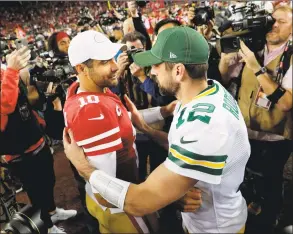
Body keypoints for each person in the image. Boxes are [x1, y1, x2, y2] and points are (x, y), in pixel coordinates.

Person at [63, 26, 251, 234]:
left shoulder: (206, 125)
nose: (151, 71)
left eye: (157, 65)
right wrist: (145, 128)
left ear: (178, 71)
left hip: (215, 227)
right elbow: (181, 145)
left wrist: (84, 168)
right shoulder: (205, 91)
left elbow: (141, 201)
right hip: (206, 217)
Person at [64, 30, 175, 233]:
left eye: (112, 59)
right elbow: (104, 188)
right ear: (81, 68)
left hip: (127, 192)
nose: (115, 67)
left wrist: (163, 111)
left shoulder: (93, 91)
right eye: (104, 62)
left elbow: (122, 119)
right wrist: (139, 204)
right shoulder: (91, 110)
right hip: (120, 206)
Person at [218, 5, 292, 232]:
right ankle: (248, 212)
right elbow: (223, 78)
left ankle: (270, 220)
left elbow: (286, 102)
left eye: (282, 22)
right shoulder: (252, 48)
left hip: (275, 137)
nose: (274, 26)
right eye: (272, 20)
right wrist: (225, 59)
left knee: (270, 181)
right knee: (243, 177)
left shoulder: (289, 57)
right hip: (244, 131)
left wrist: (255, 67)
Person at [0, 47, 77, 234]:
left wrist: (38, 121)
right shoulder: (7, 73)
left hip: (35, 141)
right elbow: (6, 104)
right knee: (36, 191)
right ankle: (47, 227)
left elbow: (20, 101)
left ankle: (52, 212)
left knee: (48, 180)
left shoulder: (4, 72)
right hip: (19, 152)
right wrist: (12, 71)